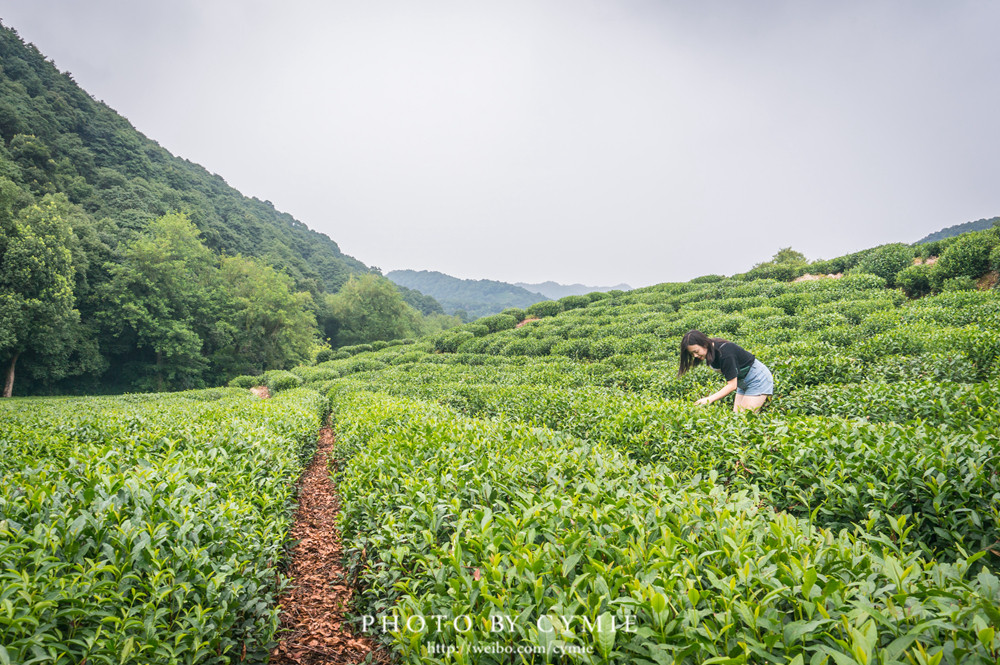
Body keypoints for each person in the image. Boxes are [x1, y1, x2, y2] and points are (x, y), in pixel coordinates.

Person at [677, 329, 773, 412]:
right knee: (737, 417)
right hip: (742, 382)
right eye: (692, 354)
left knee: (744, 418)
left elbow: (732, 385)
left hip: (757, 379)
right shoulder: (711, 351)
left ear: (704, 344)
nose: (695, 356)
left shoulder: (725, 353)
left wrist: (709, 399)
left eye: (696, 352)